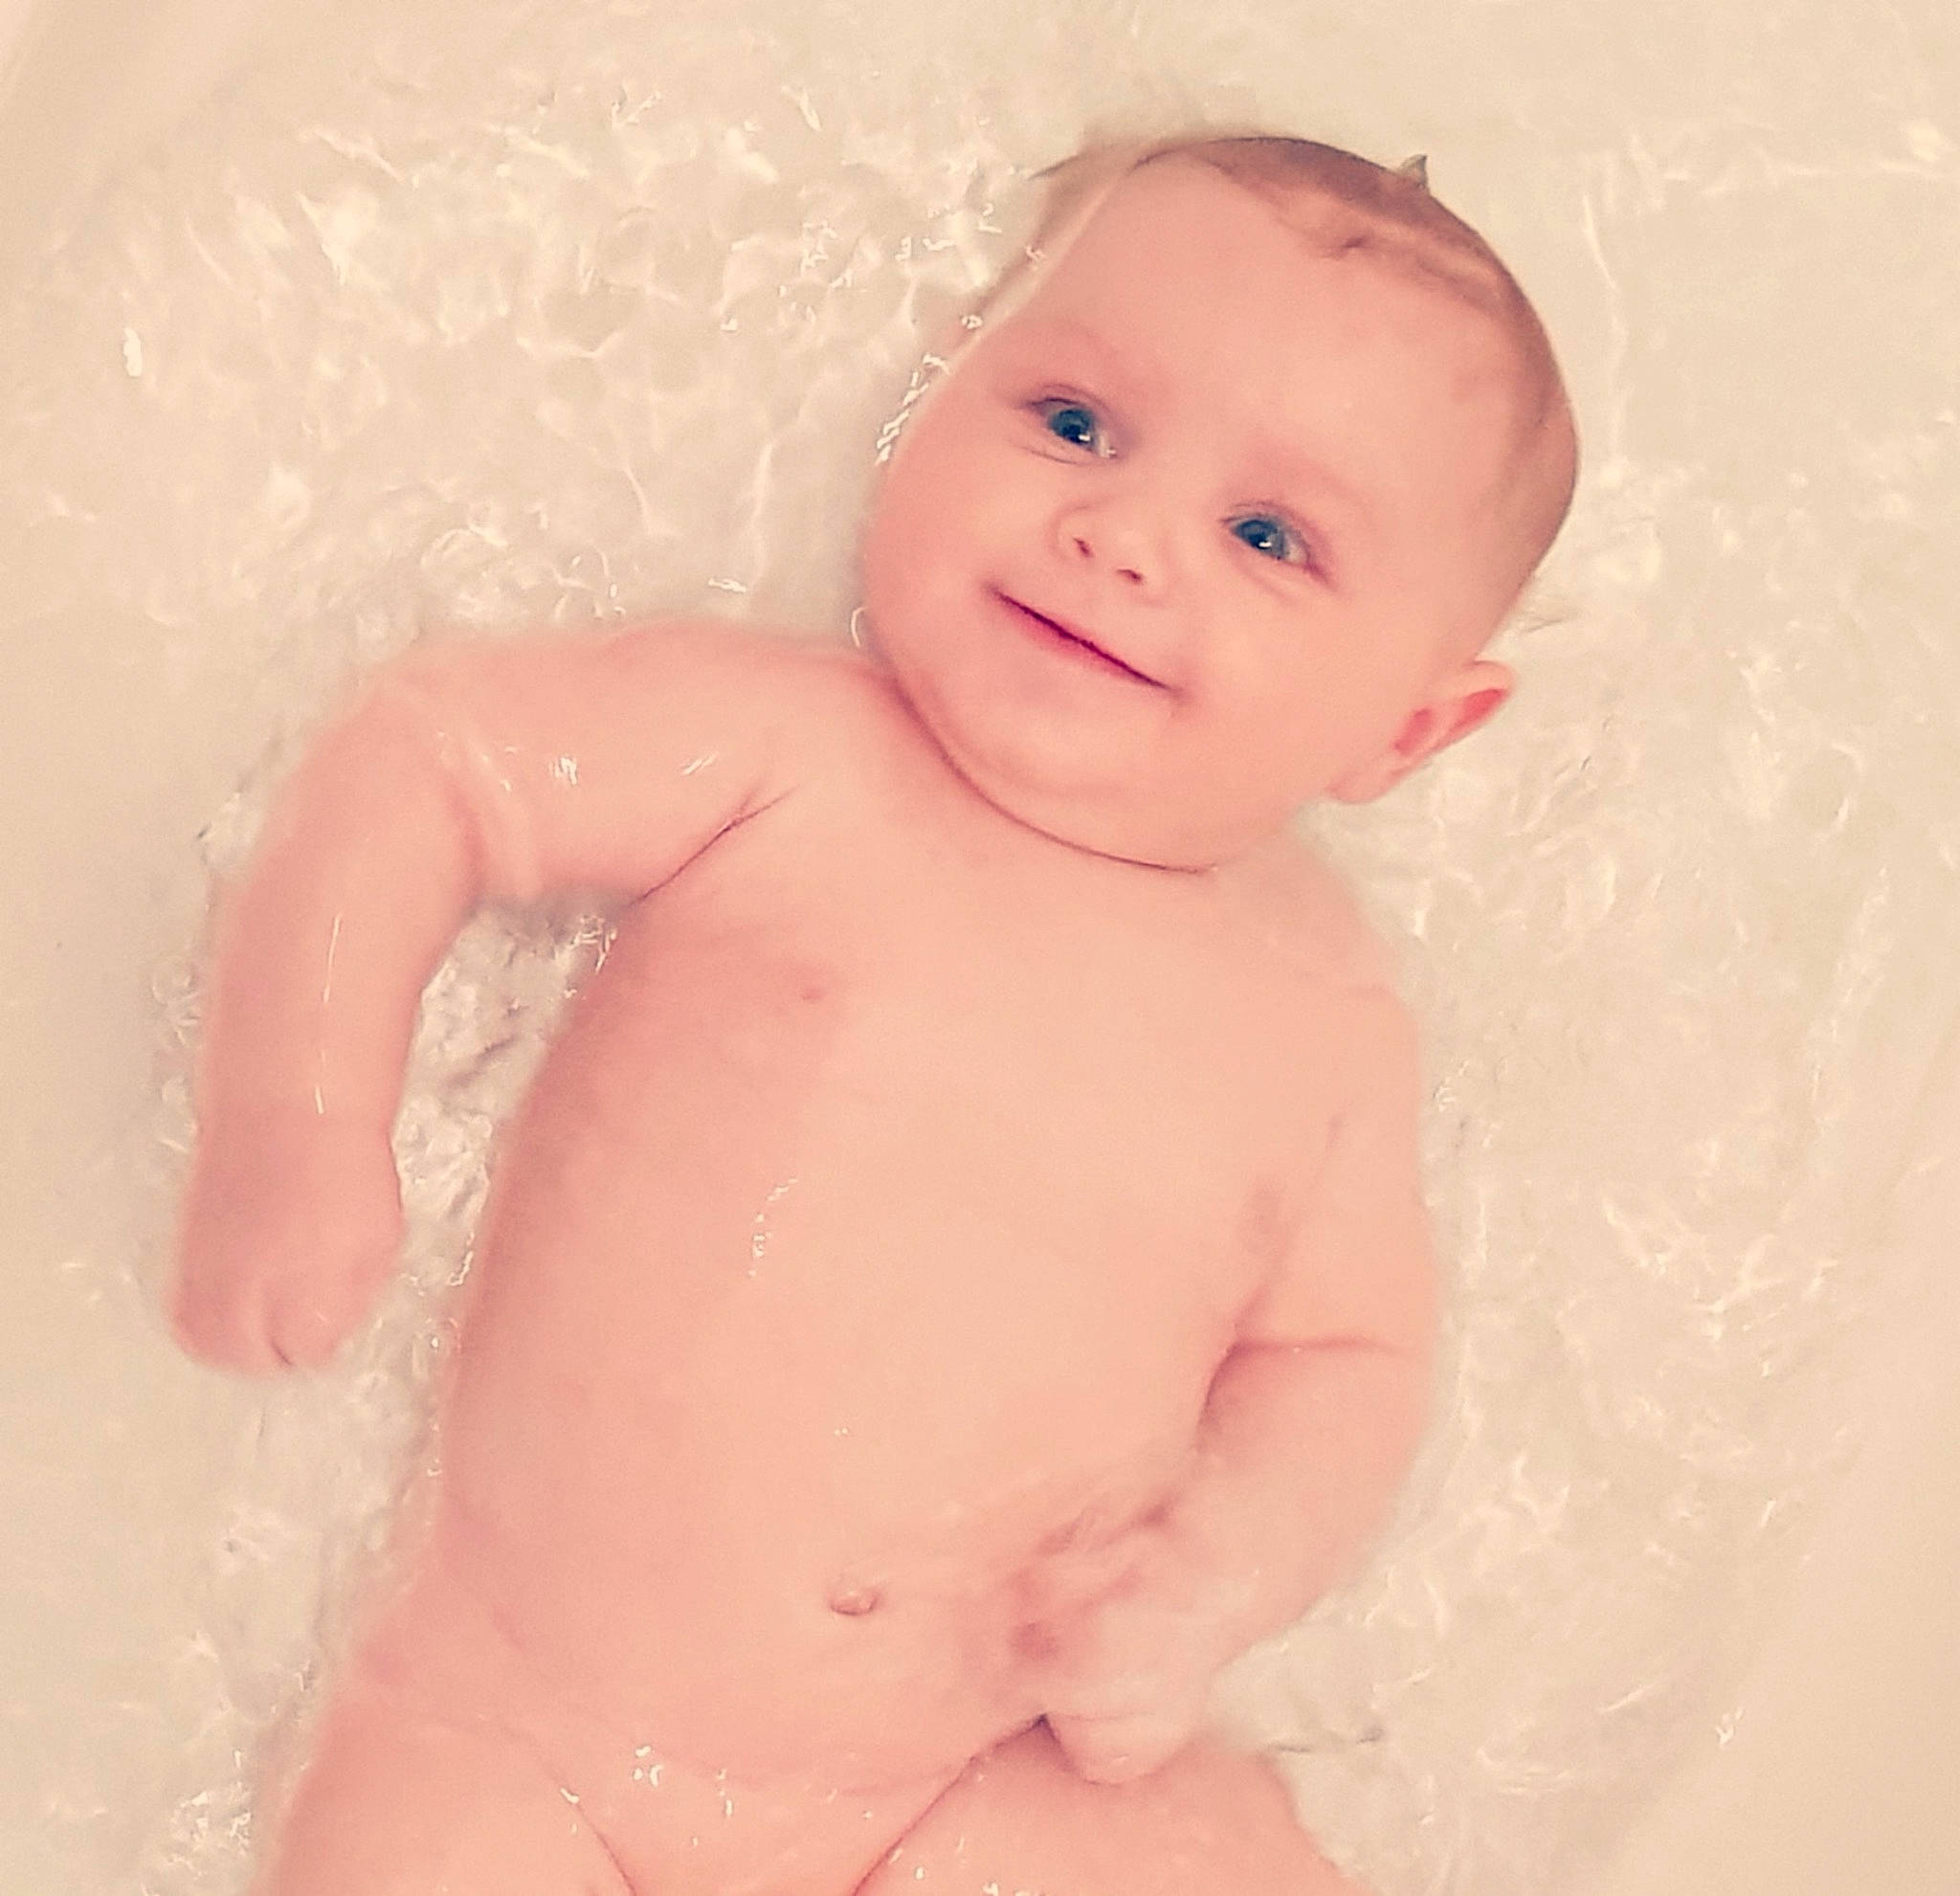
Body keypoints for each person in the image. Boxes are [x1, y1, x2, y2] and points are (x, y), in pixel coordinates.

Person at [169, 131, 1578, 1895]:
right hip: (514, 1738)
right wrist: (293, 1126)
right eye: (1073, 422)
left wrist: (1217, 1570)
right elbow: (426, 759)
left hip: (963, 1784)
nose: (1123, 534)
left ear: (1413, 731)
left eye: (1270, 535)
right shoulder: (795, 753)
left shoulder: (1328, 1015)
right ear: (938, 393)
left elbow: (1349, 1362)